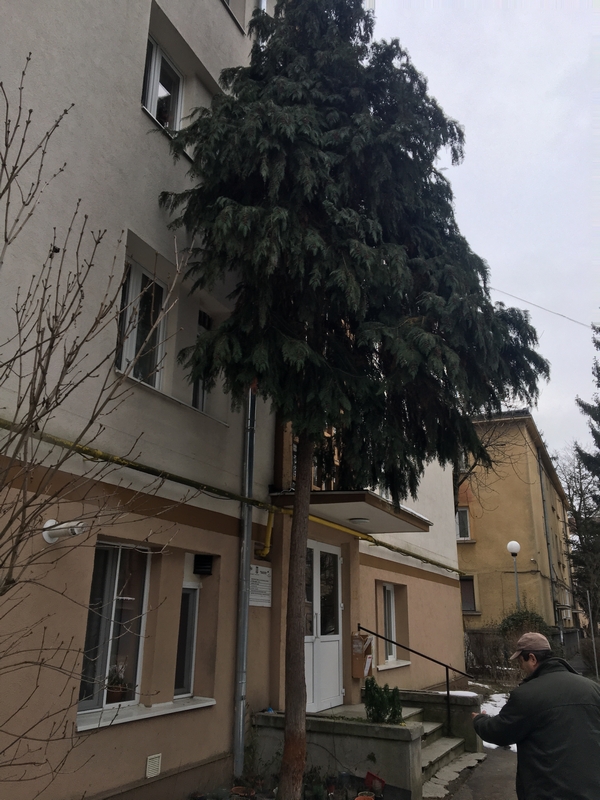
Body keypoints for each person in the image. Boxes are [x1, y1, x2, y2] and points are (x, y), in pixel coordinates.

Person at [472, 631, 600, 800]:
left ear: (532, 658)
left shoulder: (527, 695)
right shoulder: (592, 688)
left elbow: (499, 732)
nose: (521, 667)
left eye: (521, 661)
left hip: (548, 792)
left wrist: (479, 720)